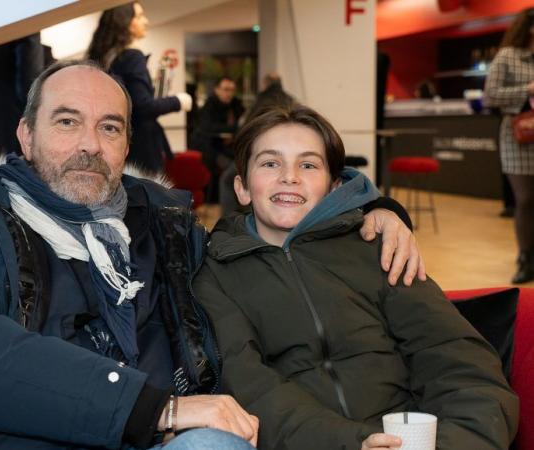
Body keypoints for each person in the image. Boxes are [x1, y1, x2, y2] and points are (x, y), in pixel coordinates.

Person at [0, 61, 420, 449]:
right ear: (25, 135)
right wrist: (153, 408)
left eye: (110, 128)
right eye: (67, 122)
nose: (90, 144)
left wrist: (367, 209)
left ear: (125, 145)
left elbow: (268, 230)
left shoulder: (165, 225)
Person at [194, 105, 519, 450]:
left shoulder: (377, 246)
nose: (289, 176)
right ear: (242, 188)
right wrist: (356, 444)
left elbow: (454, 356)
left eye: (308, 164)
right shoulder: (215, 273)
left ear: (334, 187)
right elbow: (252, 388)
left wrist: (456, 443)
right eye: (270, 163)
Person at [87, 2, 191, 173]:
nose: (146, 21)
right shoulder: (132, 57)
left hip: (112, 138)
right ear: (126, 21)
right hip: (141, 146)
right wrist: (178, 101)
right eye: (140, 16)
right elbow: (143, 107)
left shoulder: (104, 58)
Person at [484, 7, 534, 284]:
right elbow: (490, 96)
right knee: (525, 200)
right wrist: (527, 90)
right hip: (518, 136)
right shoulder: (507, 56)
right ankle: (525, 257)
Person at [191, 77, 245, 213]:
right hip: (212, 150)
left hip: (231, 149)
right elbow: (209, 127)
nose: (229, 94)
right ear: (217, 90)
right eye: (226, 90)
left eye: (232, 90)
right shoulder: (209, 106)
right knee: (233, 170)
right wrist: (233, 129)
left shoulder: (236, 106)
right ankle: (230, 212)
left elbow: (243, 125)